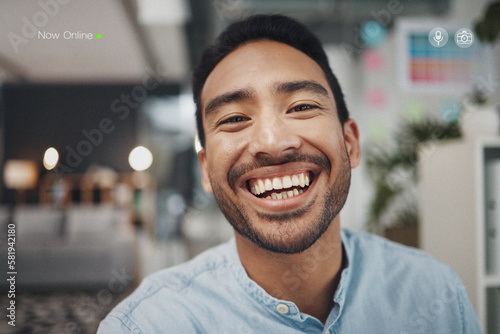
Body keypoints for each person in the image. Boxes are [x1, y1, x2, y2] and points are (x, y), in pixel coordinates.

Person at [98, 14, 480, 333]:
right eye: (234, 118)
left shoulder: (435, 294)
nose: (272, 142)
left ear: (350, 144)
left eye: (300, 107)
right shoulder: (149, 325)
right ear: (207, 172)